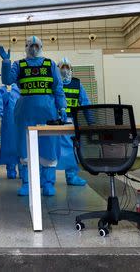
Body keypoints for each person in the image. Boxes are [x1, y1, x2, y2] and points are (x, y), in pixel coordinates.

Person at [0, 36, 66, 196]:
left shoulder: (50, 64)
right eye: (30, 45)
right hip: (25, 111)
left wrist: (62, 107)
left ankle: (48, 183)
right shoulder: (19, 64)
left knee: (48, 145)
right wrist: (6, 63)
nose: (33, 49)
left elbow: (58, 87)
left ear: (41, 46)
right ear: (26, 47)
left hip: (48, 112)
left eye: (36, 46)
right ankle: (27, 182)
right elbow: (7, 80)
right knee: (24, 145)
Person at [55, 57, 89, 186]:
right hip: (56, 123)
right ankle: (48, 178)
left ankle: (72, 176)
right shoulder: (54, 85)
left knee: (74, 150)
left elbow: (85, 104)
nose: (64, 70)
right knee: (53, 150)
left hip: (73, 123)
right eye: (62, 67)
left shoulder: (77, 84)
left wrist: (91, 122)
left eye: (67, 67)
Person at [0, 83, 21, 179]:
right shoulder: (1, 89)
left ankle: (23, 169)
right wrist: (7, 92)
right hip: (8, 121)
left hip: (20, 119)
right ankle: (11, 169)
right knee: (9, 145)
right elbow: (0, 102)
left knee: (21, 145)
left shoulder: (18, 88)